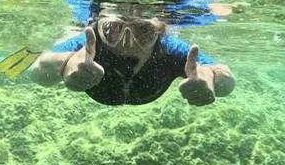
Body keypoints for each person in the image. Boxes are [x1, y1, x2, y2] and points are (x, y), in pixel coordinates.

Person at [29, 15, 235, 106]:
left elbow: (224, 78)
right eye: (114, 30)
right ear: (100, 26)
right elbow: (37, 70)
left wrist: (213, 78)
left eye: (143, 31)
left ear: (159, 31)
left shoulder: (169, 48)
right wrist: (64, 63)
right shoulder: (89, 44)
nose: (127, 42)